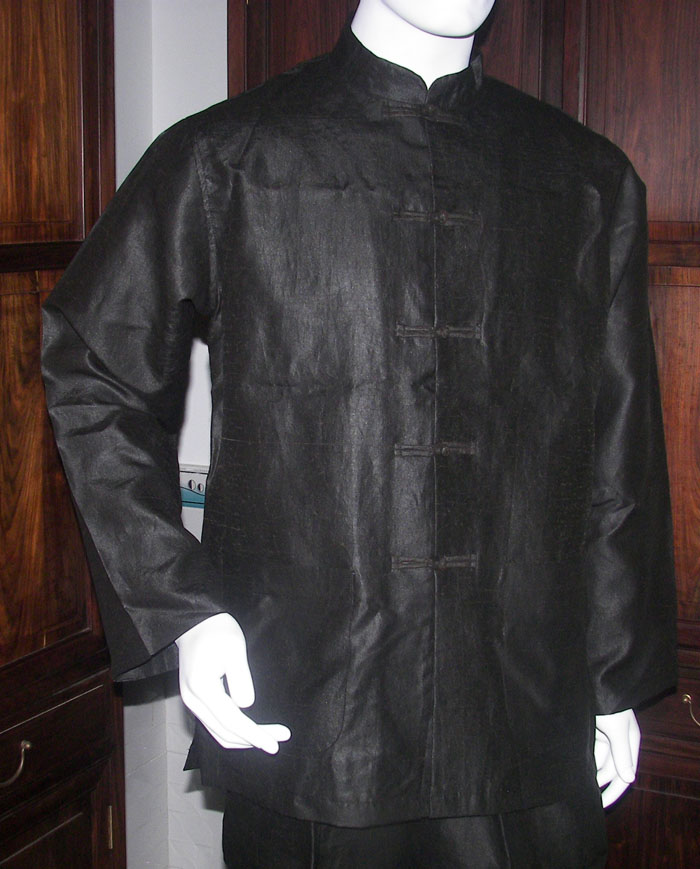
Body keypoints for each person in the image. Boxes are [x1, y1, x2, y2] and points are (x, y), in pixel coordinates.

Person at [42, 0, 677, 865]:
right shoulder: (228, 156)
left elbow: (620, 450)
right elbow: (93, 362)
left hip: (528, 716)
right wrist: (180, 605)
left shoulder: (589, 178)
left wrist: (615, 677)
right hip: (313, 715)